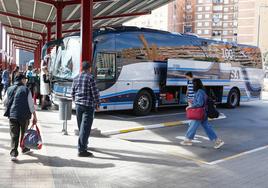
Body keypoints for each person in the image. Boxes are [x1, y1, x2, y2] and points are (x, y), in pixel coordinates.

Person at [180, 78, 224, 149]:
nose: (192, 85)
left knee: (193, 125)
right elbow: (199, 102)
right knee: (206, 127)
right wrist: (192, 102)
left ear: (195, 84)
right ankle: (218, 141)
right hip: (203, 113)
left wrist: (191, 106)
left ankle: (188, 140)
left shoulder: (200, 92)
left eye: (193, 84)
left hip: (200, 113)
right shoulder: (200, 91)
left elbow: (200, 103)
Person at [4, 74, 37, 161]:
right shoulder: (26, 90)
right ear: (22, 80)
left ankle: (14, 153)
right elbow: (31, 105)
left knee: (14, 134)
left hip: (12, 115)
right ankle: (24, 148)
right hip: (24, 116)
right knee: (24, 133)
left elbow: (5, 101)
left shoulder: (9, 89)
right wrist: (35, 117)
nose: (26, 81)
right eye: (25, 79)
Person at [71, 61, 100, 157]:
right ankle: (81, 150)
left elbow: (73, 92)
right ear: (89, 68)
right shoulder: (90, 78)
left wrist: (75, 101)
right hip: (88, 106)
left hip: (78, 106)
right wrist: (98, 103)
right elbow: (95, 92)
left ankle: (84, 145)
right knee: (85, 129)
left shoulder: (76, 77)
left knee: (81, 127)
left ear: (82, 68)